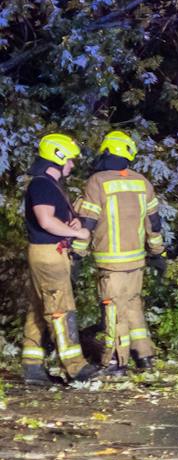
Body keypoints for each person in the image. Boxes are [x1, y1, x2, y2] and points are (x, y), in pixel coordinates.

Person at [72, 130, 167, 374]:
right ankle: (144, 358)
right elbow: (153, 224)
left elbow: (88, 222)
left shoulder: (98, 181)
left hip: (110, 263)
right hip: (137, 261)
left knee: (113, 311)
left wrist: (76, 255)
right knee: (133, 306)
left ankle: (114, 362)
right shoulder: (141, 182)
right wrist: (158, 253)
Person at [20, 132, 97, 386]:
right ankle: (76, 368)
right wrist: (78, 231)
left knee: (38, 310)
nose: (73, 165)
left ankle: (33, 368)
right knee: (60, 310)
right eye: (71, 160)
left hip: (48, 253)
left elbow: (54, 218)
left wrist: (70, 221)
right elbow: (45, 220)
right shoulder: (42, 184)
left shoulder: (49, 185)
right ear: (58, 157)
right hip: (49, 255)